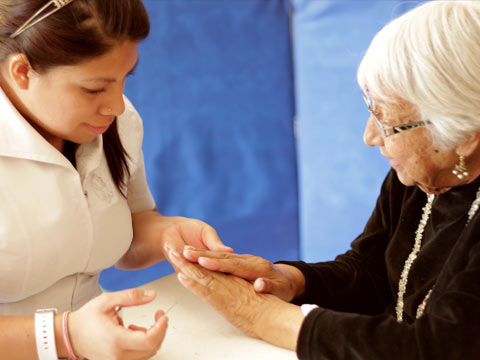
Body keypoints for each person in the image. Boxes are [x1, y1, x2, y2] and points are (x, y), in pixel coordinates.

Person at [167, 1, 480, 359]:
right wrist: (289, 280)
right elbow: (371, 271)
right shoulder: (421, 175)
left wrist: (260, 316)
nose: (371, 137)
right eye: (371, 113)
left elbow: (437, 347)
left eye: (388, 123)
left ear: (465, 135)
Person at [0, 1, 232, 359]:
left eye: (126, 79)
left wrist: (170, 235)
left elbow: (129, 229)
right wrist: (66, 336)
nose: (117, 106)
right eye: (94, 89)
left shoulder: (116, 124)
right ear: (22, 72)